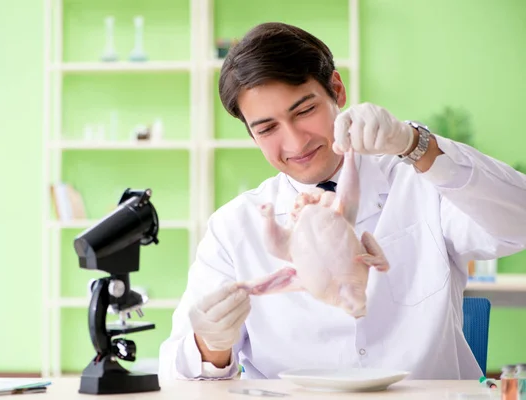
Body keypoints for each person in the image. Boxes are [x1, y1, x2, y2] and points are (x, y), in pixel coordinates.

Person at [157, 22, 526, 381]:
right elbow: (175, 370)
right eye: (267, 128)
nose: (295, 142)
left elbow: (519, 222)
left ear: (337, 89)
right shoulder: (235, 227)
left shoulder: (417, 181)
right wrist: (212, 345)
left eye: (304, 111)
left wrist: (415, 144)